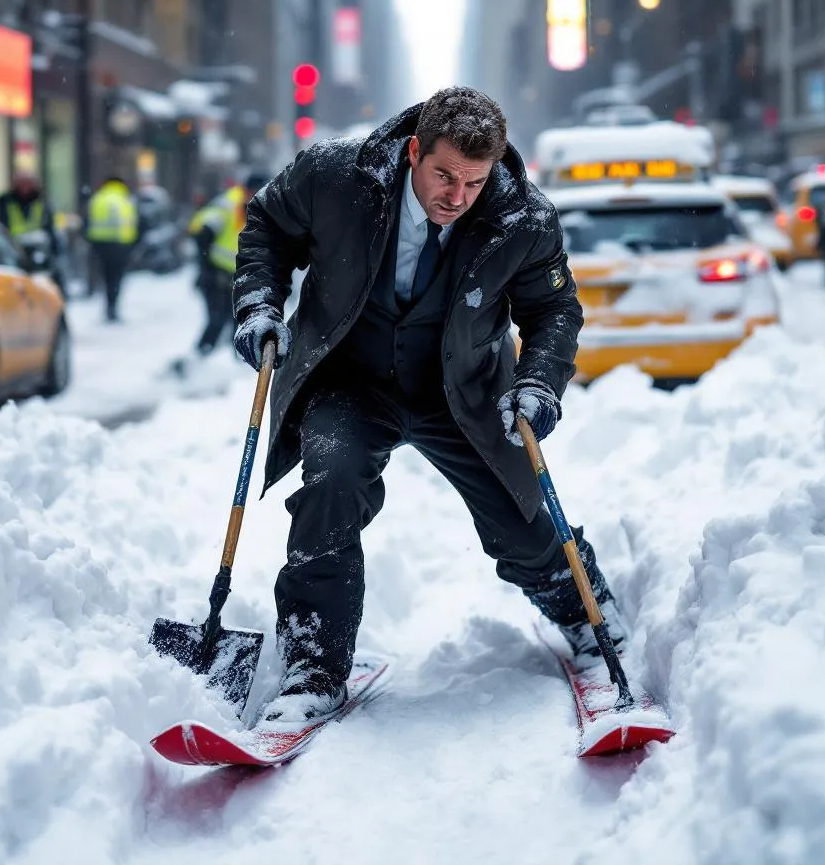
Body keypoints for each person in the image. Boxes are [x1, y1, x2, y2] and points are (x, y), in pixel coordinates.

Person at [232, 86, 626, 725]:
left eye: (474, 182)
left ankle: (589, 617)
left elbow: (554, 310)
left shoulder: (523, 220)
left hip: (465, 391)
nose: (457, 196)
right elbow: (268, 227)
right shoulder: (335, 177)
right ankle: (313, 666)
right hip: (350, 380)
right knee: (330, 490)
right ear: (414, 150)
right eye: (445, 175)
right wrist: (257, 303)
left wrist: (538, 384)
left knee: (521, 522)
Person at [188, 173, 267, 356]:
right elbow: (202, 233)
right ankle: (200, 356)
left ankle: (232, 359)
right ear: (249, 189)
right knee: (217, 319)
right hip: (216, 272)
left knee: (235, 319)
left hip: (234, 274)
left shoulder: (256, 207)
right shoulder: (229, 204)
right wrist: (207, 269)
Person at [85, 175, 137, 321]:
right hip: (120, 245)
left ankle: (108, 306)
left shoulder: (98, 199)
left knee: (106, 276)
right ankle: (112, 307)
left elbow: (88, 221)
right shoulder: (124, 200)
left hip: (99, 244)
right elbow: (130, 224)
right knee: (116, 278)